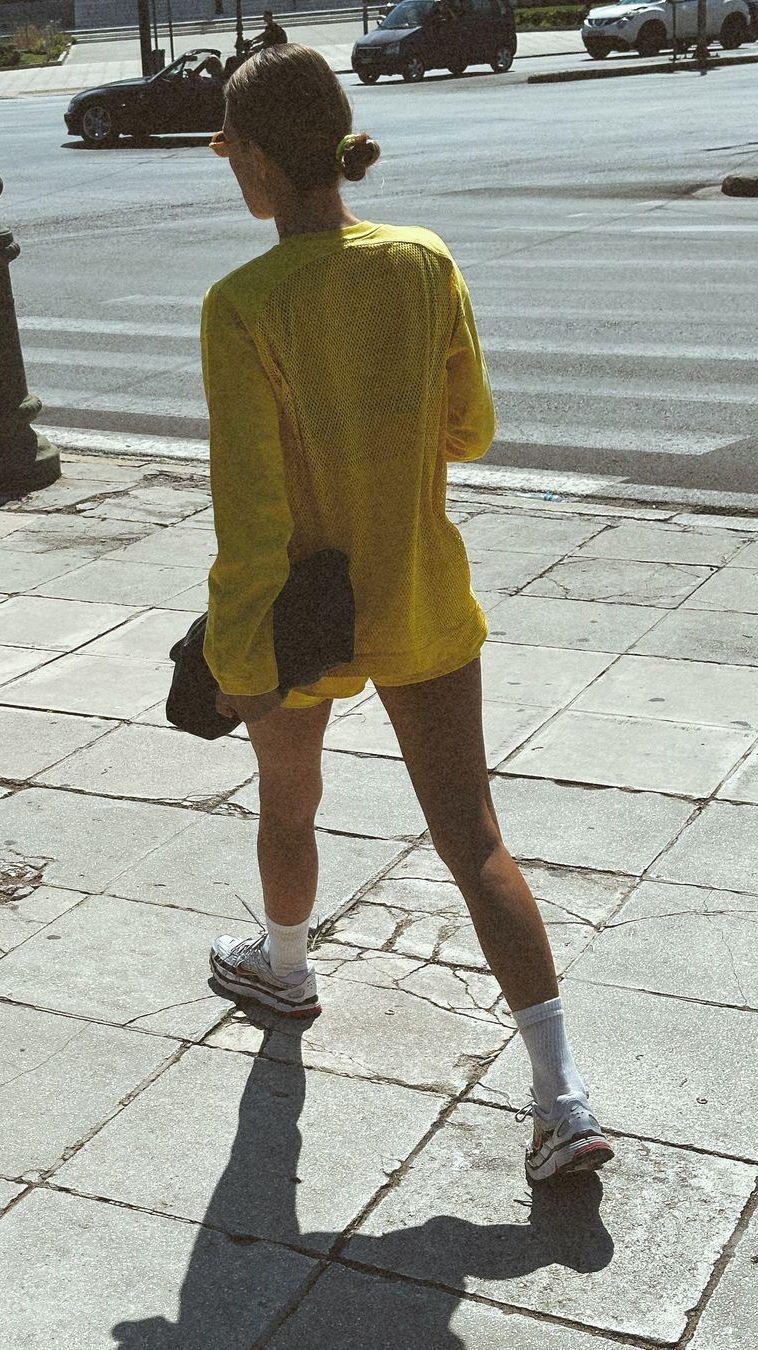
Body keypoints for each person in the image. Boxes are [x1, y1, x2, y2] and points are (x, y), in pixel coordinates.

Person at [202, 44, 614, 1185]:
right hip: (421, 590)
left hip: (302, 613)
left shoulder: (241, 305)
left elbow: (251, 510)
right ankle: (562, 1100)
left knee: (289, 801)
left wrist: (236, 655)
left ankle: (287, 968)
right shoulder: (424, 261)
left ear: (255, 160)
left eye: (229, 152)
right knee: (472, 839)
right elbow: (469, 429)